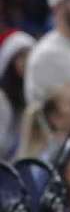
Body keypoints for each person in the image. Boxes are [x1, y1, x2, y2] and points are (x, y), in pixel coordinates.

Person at [0, 29, 35, 158]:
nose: (26, 61)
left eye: (30, 55)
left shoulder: (31, 95)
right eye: (21, 56)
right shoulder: (2, 98)